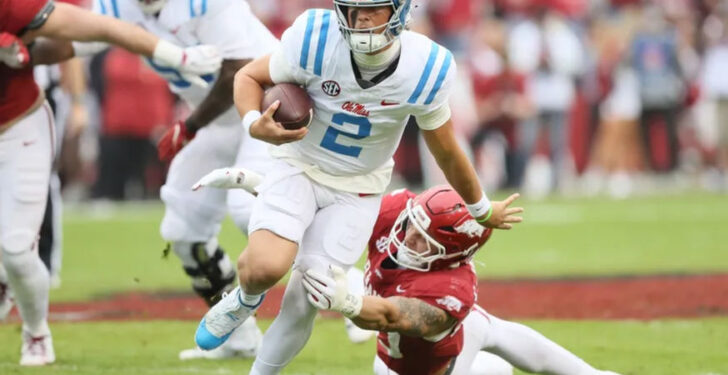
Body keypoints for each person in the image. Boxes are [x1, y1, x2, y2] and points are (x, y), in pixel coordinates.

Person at [193, 2, 524, 374]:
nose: (361, 18)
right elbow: (248, 77)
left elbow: (446, 149)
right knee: (263, 268)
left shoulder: (426, 66)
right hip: (299, 165)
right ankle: (244, 300)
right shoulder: (315, 38)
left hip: (357, 189)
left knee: (307, 295)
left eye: (373, 9)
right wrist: (253, 122)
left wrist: (481, 209)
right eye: (353, 9)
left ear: (399, 11)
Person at [193, 172, 618, 375]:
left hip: (428, 366)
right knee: (491, 330)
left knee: (484, 344)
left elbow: (391, 317)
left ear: (450, 253)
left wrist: (347, 301)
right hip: (396, 352)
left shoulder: (451, 288)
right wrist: (265, 186)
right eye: (412, 225)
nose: (407, 237)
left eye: (422, 240)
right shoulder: (400, 211)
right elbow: (336, 207)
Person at [0, 0, 220, 366]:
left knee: (16, 248)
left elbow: (101, 28)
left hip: (18, 129)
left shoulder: (11, 7)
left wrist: (175, 57)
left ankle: (36, 331)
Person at [60, 0, 279, 360]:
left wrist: (188, 126)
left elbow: (239, 70)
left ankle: (338, 274)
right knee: (183, 229)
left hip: (263, 111)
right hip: (218, 123)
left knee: (250, 214)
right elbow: (68, 35)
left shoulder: (206, 4)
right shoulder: (118, 7)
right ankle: (239, 337)